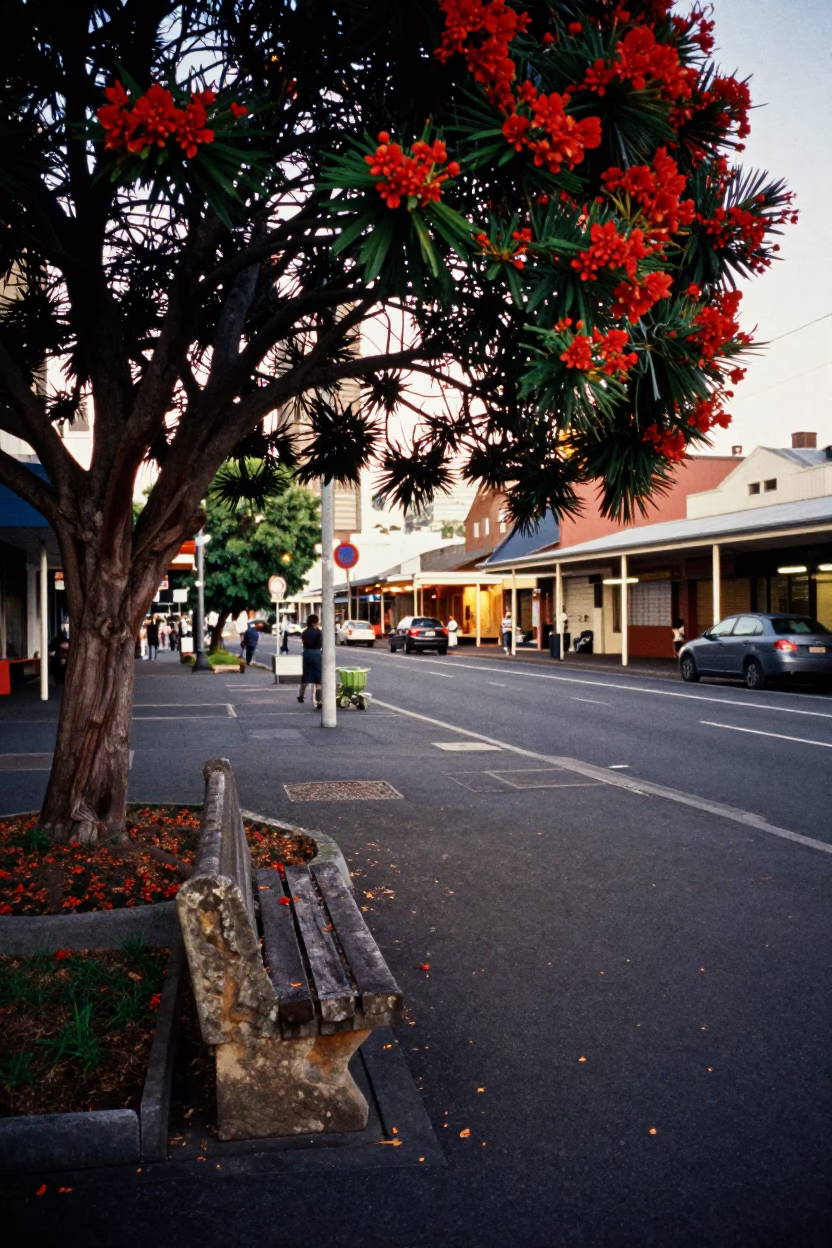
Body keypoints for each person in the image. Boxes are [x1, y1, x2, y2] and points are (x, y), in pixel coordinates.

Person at [297, 613, 323, 707]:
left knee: (305, 676)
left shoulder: (304, 632)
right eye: (317, 622)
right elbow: (321, 644)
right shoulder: (319, 632)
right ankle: (319, 701)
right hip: (316, 654)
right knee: (318, 680)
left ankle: (301, 696)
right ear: (314, 623)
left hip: (306, 654)